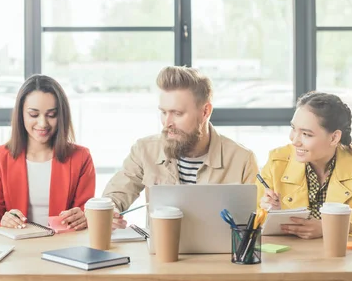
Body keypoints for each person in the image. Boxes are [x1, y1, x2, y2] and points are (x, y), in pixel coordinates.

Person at [103, 66, 258, 229]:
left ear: (205, 112)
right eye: (163, 112)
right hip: (161, 253)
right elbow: (114, 196)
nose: (167, 122)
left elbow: (256, 223)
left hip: (221, 254)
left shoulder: (243, 160)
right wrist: (110, 210)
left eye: (177, 113)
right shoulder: (144, 150)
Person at [258, 91, 352, 238]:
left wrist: (329, 227)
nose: (294, 140)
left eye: (306, 134)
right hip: (290, 254)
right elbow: (253, 216)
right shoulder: (277, 160)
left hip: (338, 252)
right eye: (293, 129)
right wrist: (273, 212)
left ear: (334, 137)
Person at [0, 75, 96, 230]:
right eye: (33, 114)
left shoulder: (81, 158)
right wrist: (5, 222)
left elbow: (87, 215)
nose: (43, 123)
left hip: (64, 248)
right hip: (17, 248)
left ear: (61, 115)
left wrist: (84, 218)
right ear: (21, 114)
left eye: (51, 115)